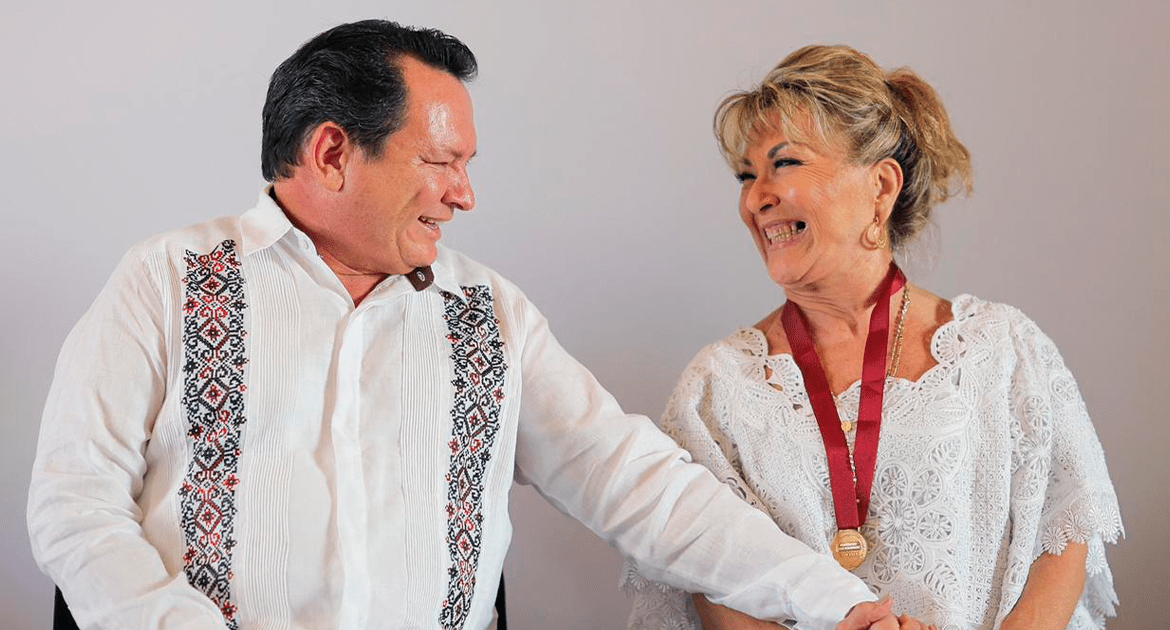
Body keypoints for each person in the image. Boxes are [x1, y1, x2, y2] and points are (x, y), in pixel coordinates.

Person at [26, 22, 903, 630]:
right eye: (440, 161)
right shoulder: (168, 281)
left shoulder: (490, 315)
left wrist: (837, 603)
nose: (464, 194)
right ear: (332, 153)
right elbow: (75, 507)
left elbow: (641, 486)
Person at [624, 45, 1122, 630]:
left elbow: (1063, 534)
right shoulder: (716, 389)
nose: (756, 197)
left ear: (881, 188)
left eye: (784, 164)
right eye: (746, 175)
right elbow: (710, 577)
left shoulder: (1004, 349)